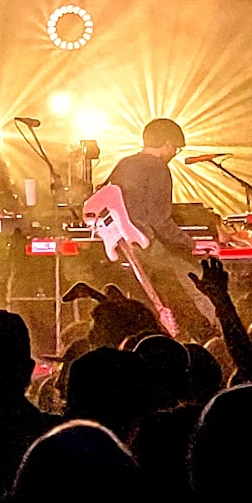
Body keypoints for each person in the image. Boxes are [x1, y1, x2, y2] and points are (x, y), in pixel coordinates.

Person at [102, 118, 213, 340]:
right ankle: (213, 339)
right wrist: (192, 244)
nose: (174, 154)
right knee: (201, 285)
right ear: (167, 145)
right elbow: (160, 221)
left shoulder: (124, 165)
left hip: (127, 248)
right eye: (175, 149)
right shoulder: (158, 168)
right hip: (151, 247)